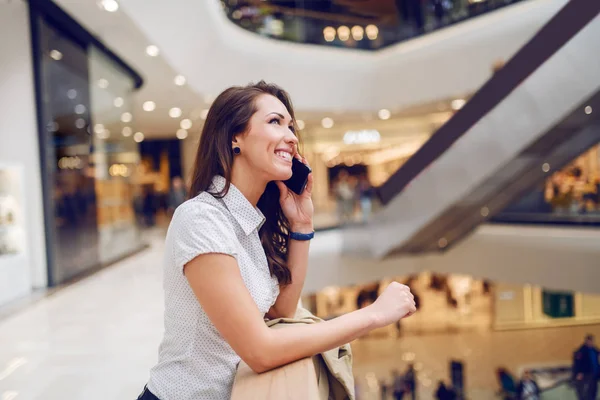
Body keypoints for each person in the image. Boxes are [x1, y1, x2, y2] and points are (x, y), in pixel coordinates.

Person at [137, 81, 417, 400]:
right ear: (235, 138)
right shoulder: (202, 219)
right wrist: (373, 315)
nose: (291, 137)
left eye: (291, 126)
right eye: (275, 122)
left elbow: (279, 310)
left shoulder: (250, 219)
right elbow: (260, 351)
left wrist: (301, 224)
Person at [573, 334, 599, 400]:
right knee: (586, 390)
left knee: (593, 390)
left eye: (592, 341)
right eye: (589, 341)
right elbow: (578, 362)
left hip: (594, 374)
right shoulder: (582, 351)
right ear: (586, 341)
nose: (591, 342)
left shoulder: (594, 349)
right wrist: (579, 372)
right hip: (586, 373)